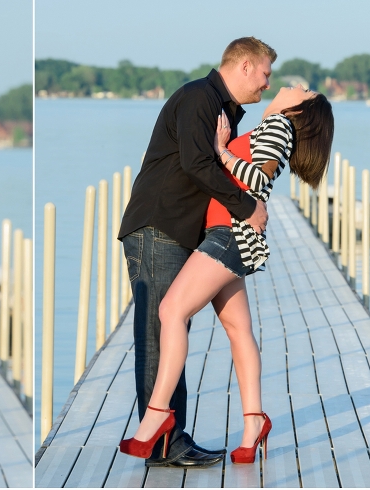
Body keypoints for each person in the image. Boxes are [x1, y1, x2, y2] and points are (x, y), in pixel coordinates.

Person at [120, 85, 334, 463]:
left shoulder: (279, 128)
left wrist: (220, 151)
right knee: (239, 331)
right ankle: (253, 425)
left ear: (300, 110)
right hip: (232, 233)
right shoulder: (271, 124)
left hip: (229, 234)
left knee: (171, 311)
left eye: (304, 90)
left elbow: (256, 182)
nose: (291, 85)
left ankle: (156, 415)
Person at [117, 37, 275, 468]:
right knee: (158, 329)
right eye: (264, 72)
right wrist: (248, 207)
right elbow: (196, 163)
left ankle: (169, 437)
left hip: (182, 232)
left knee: (171, 323)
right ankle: (163, 445)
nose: (267, 83)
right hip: (159, 227)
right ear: (244, 66)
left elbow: (215, 166)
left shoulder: (222, 110)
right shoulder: (198, 97)